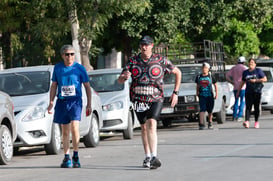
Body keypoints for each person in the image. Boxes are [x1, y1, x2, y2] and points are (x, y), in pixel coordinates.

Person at [118, 35, 181, 169]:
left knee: (152, 123)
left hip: (156, 97)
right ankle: (147, 156)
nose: (144, 47)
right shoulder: (133, 61)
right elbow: (120, 80)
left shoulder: (161, 60)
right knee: (143, 127)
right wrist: (124, 77)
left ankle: (154, 156)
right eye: (142, 45)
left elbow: (177, 72)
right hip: (139, 98)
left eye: (146, 45)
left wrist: (175, 92)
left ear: (152, 46)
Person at [47, 45, 92, 168]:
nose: (70, 57)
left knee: (75, 128)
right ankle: (67, 157)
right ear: (62, 56)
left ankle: (76, 155)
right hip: (62, 101)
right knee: (65, 131)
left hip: (75, 101)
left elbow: (87, 87)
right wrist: (51, 102)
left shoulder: (79, 68)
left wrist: (89, 103)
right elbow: (54, 85)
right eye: (67, 54)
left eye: (72, 54)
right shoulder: (58, 68)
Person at [237, 58, 267, 129]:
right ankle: (247, 121)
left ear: (255, 64)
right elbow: (242, 82)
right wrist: (238, 90)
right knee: (248, 107)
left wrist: (256, 80)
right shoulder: (245, 72)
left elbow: (265, 79)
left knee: (256, 107)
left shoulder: (258, 71)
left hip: (257, 91)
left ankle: (256, 122)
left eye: (252, 63)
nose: (251, 64)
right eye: (250, 62)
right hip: (248, 91)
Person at [195, 62, 218, 130]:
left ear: (208, 69)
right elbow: (197, 86)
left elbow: (215, 85)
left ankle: (210, 122)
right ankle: (201, 123)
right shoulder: (199, 77)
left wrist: (216, 94)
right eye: (203, 68)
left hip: (210, 96)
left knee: (210, 110)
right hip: (202, 96)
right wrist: (197, 93)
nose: (204, 69)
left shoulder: (211, 76)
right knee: (202, 109)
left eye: (205, 68)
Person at [226, 56, 247, 121]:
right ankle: (240, 116)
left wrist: (231, 82)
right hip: (243, 87)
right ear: (243, 62)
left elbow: (227, 76)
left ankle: (234, 115)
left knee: (236, 101)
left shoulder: (234, 68)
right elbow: (246, 77)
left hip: (235, 87)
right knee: (242, 101)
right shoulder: (244, 68)